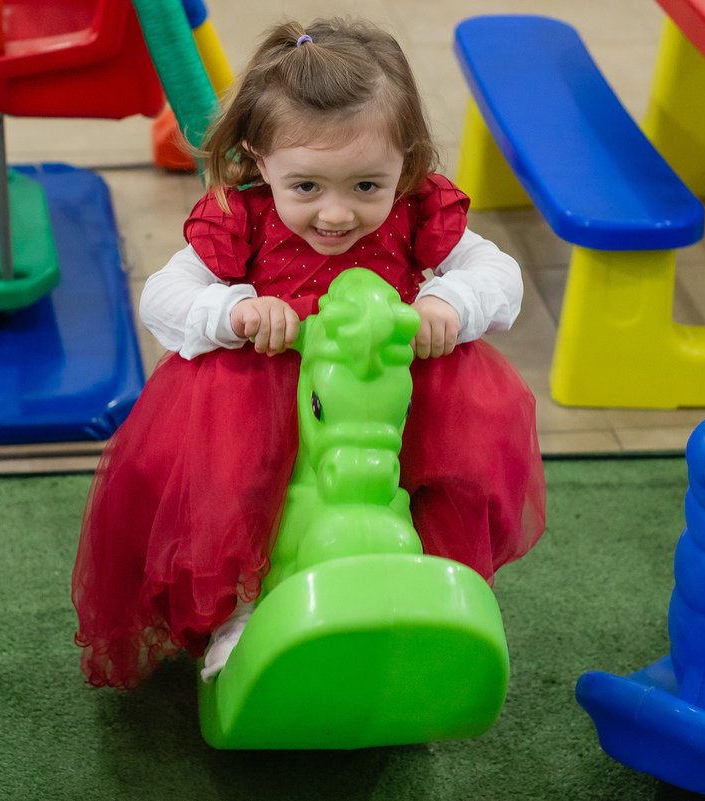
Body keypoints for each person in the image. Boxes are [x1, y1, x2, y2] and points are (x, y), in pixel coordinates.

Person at [71, 18, 546, 690]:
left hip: (386, 395)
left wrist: (450, 306)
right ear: (259, 161)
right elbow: (164, 297)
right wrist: (235, 312)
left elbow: (498, 273)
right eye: (307, 187)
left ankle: (420, 595)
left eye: (365, 186)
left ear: (405, 163)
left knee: (442, 469)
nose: (335, 214)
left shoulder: (417, 212)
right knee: (242, 490)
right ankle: (245, 611)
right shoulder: (241, 216)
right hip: (261, 396)